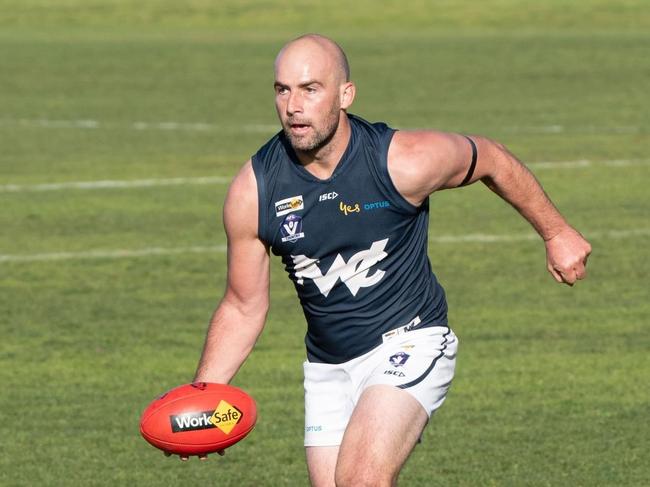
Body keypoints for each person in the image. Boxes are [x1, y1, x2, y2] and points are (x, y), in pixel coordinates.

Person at [190, 34, 592, 486]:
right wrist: (205, 394)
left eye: (310, 89)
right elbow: (243, 305)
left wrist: (556, 232)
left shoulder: (403, 161)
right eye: (282, 90)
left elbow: (492, 158)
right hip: (328, 366)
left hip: (410, 340)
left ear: (346, 94)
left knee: (360, 479)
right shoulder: (254, 191)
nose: (293, 105)